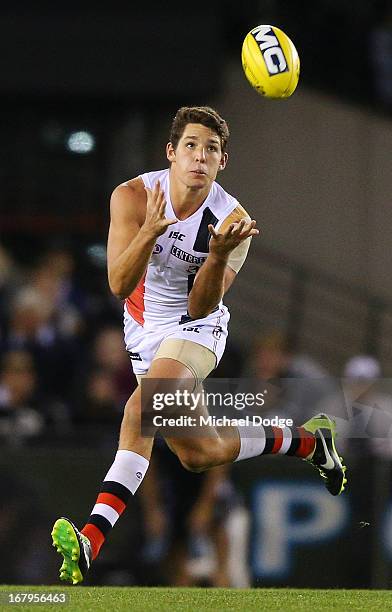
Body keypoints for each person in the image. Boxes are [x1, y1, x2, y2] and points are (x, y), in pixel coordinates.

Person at [51, 106, 347, 584]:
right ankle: (308, 441)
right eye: (190, 145)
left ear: (222, 161)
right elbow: (118, 285)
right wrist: (149, 230)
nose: (199, 157)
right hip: (143, 331)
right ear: (171, 152)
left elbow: (203, 304)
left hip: (197, 329)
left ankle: (91, 538)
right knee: (199, 453)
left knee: (140, 410)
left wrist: (218, 256)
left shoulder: (233, 220)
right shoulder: (133, 196)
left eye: (211, 149)